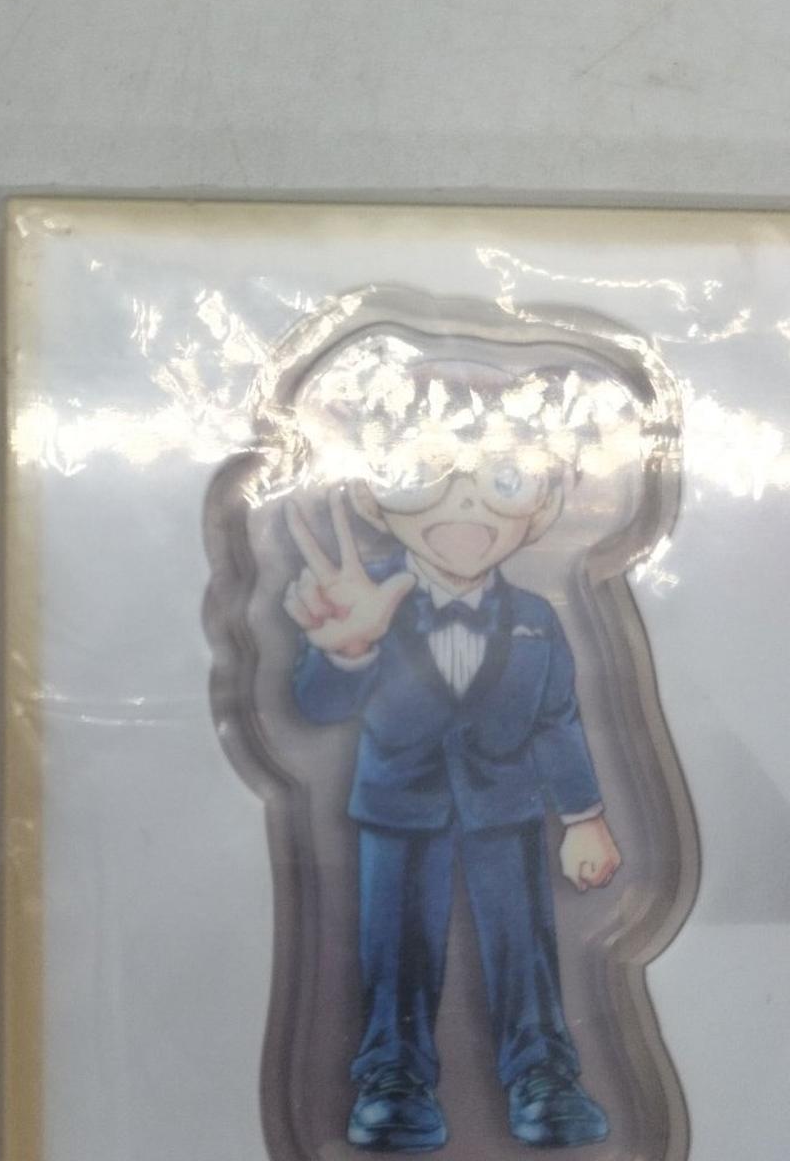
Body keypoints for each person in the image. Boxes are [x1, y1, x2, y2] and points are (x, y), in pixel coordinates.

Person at [284, 360, 620, 1152]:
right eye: (422, 473)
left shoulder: (535, 616)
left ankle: (544, 1074)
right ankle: (392, 1078)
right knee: (394, 948)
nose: (464, 501)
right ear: (372, 494)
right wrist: (348, 651)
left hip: (507, 807)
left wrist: (585, 818)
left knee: (524, 944)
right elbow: (316, 707)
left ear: (542, 504)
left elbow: (558, 720)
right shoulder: (362, 596)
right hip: (396, 807)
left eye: (503, 478)